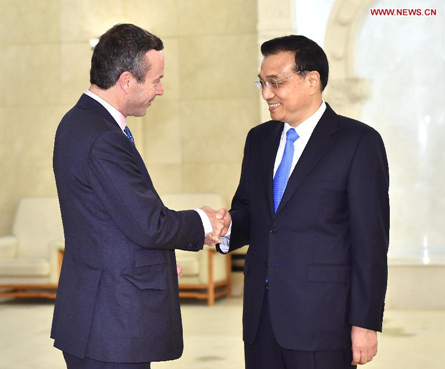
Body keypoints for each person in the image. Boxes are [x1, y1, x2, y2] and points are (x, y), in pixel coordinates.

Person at [51, 24, 227, 369]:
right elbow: (148, 224)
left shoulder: (78, 122)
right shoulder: (102, 137)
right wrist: (205, 220)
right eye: (156, 80)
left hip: (95, 314)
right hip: (109, 325)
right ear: (128, 81)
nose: (160, 90)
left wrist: (158, 264)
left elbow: (108, 220)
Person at [215, 35, 389, 369]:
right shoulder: (259, 139)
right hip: (260, 319)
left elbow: (370, 242)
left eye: (275, 82)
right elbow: (252, 211)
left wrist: (365, 322)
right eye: (262, 83)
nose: (266, 93)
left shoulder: (358, 142)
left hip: (323, 322)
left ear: (312, 81)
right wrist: (226, 227)